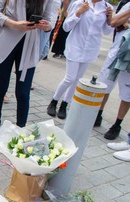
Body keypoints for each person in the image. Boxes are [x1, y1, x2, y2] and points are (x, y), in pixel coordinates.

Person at [0, 0, 55, 140]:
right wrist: (14, 24)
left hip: (30, 44)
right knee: (0, 87)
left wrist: (46, 26)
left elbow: (50, 19)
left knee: (23, 92)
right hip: (6, 39)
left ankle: (20, 128)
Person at [46, 0, 113, 120]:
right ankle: (54, 101)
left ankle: (64, 104)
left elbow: (107, 31)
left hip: (91, 48)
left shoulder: (107, 7)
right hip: (76, 45)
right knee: (70, 78)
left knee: (77, 79)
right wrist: (78, 13)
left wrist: (109, 18)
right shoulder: (80, 3)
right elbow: (66, 27)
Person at [95, 1, 130, 141]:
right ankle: (98, 114)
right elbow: (114, 22)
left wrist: (127, 24)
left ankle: (117, 124)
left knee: (127, 93)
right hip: (117, 51)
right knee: (105, 84)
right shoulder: (127, 4)